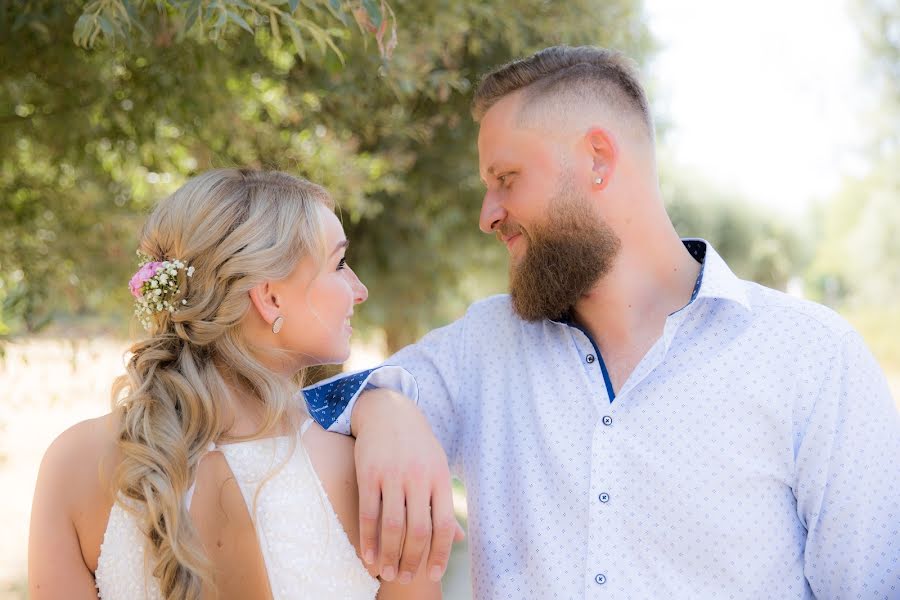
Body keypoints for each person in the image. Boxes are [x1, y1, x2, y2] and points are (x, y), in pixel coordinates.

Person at [304, 46, 900, 598]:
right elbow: (300, 416)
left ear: (597, 159)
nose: (488, 216)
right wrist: (383, 405)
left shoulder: (813, 358)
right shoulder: (484, 347)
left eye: (506, 180)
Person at [28, 169, 440, 599]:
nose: (359, 289)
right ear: (270, 298)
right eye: (339, 264)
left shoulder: (74, 463)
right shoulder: (370, 471)